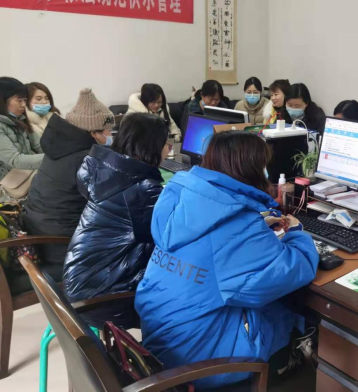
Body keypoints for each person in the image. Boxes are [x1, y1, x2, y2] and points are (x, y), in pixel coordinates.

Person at [135, 131, 319, 390]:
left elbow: (214, 250)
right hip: (201, 361)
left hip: (161, 340)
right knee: (293, 314)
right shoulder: (238, 226)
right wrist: (297, 233)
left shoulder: (179, 200)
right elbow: (293, 269)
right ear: (251, 169)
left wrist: (256, 227)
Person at [63, 113, 169, 327]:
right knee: (191, 291)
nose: (168, 149)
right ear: (151, 146)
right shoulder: (142, 189)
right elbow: (168, 238)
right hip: (104, 299)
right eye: (166, 144)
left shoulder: (103, 171)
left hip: (79, 281)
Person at [23, 88, 114, 264]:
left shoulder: (59, 148)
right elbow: (111, 202)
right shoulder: (87, 159)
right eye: (107, 130)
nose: (110, 135)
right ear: (92, 133)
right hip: (64, 245)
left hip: (40, 234)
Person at [0, 77, 44, 181]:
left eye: (25, 100)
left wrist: (61, 153)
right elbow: (15, 160)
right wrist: (51, 158)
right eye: (19, 100)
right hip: (7, 185)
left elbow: (39, 145)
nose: (24, 105)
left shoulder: (19, 120)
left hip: (25, 178)